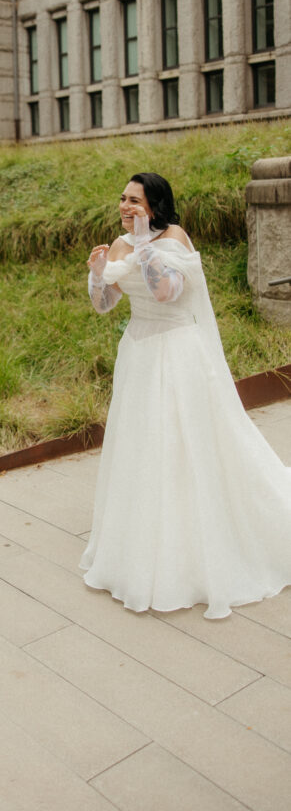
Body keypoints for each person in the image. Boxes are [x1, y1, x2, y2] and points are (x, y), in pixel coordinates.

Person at [81, 172, 291, 619]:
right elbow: (105, 305)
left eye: (135, 200)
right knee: (144, 448)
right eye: (122, 199)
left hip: (178, 352)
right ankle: (146, 542)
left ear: (154, 204)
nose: (125, 206)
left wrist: (145, 247)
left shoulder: (174, 237)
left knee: (185, 442)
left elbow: (168, 293)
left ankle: (201, 543)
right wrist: (100, 274)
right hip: (138, 354)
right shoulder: (117, 245)